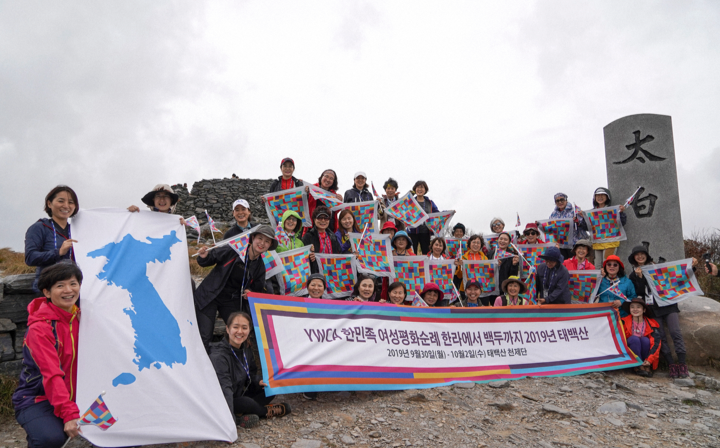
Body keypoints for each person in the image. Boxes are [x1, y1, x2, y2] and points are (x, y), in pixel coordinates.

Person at [13, 264, 83, 448]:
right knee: (50, 439)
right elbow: (51, 374)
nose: (68, 290)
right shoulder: (40, 328)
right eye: (60, 285)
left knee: (119, 427)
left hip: (80, 395)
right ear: (47, 292)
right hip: (38, 398)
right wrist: (69, 414)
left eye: (73, 283)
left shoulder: (83, 318)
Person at [194, 225, 277, 351]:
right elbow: (210, 258)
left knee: (239, 331)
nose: (262, 243)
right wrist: (204, 256)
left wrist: (250, 292)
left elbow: (257, 289)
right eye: (260, 238)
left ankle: (230, 359)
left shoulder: (260, 267)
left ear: (269, 246)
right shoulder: (234, 250)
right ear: (253, 238)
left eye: (267, 241)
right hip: (210, 295)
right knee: (205, 336)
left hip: (231, 300)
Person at [210, 311, 290, 428]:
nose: (240, 331)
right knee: (247, 402)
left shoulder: (245, 348)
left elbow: (250, 375)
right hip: (222, 401)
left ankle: (242, 414)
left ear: (249, 330)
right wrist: (228, 425)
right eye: (235, 327)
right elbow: (225, 390)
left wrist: (258, 381)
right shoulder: (219, 356)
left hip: (239, 394)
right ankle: (263, 412)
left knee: (272, 385)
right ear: (227, 329)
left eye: (244, 328)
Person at [628, 246, 690, 379]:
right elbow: (639, 293)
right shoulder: (633, 274)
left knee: (675, 332)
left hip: (669, 305)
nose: (640, 257)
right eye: (637, 255)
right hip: (653, 309)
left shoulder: (657, 268)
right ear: (633, 258)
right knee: (660, 336)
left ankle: (682, 364)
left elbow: (676, 279)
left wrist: (692, 267)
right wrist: (640, 277)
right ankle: (671, 364)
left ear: (647, 256)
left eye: (642, 254)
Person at [25, 186, 79, 294]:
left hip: (73, 291)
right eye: (61, 201)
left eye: (71, 202)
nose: (66, 206)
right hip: (48, 290)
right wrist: (58, 252)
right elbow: (30, 257)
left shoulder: (77, 231)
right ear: (49, 204)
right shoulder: (39, 228)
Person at [620, 298, 661, 377]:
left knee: (645, 340)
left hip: (645, 355)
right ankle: (637, 365)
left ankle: (645, 364)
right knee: (634, 339)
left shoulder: (651, 324)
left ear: (644, 310)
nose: (635, 309)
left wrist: (649, 360)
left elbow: (656, 343)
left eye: (638, 307)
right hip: (630, 352)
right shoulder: (623, 322)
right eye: (632, 307)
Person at [586, 187, 627, 265]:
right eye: (598, 195)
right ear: (594, 197)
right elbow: (587, 227)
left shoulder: (613, 210)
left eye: (602, 195)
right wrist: (581, 219)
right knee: (597, 266)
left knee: (607, 264)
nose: (600, 197)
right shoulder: (591, 212)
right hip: (597, 243)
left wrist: (621, 213)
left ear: (607, 197)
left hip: (610, 242)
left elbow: (622, 222)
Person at [549, 193, 589, 260]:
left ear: (566, 200)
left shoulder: (575, 211)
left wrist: (578, 222)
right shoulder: (553, 214)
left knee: (575, 263)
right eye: (557, 201)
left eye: (562, 200)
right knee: (563, 263)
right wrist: (540, 225)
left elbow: (586, 226)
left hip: (574, 243)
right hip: (561, 244)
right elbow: (549, 227)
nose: (560, 202)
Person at [302, 206, 341, 273]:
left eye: (326, 218)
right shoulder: (308, 236)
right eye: (319, 217)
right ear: (314, 219)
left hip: (331, 271)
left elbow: (339, 253)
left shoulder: (333, 236)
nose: (323, 220)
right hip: (316, 273)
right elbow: (302, 259)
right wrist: (309, 256)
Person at [453, 235, 488, 302]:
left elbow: (488, 275)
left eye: (478, 243)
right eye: (474, 242)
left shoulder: (485, 258)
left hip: (482, 289)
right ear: (469, 244)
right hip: (466, 289)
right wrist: (459, 266)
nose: (476, 244)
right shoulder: (463, 258)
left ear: (481, 245)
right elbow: (459, 276)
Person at [407, 181, 439, 255]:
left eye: (422, 187)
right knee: (412, 253)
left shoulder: (429, 202)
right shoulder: (410, 201)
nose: (419, 189)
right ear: (415, 189)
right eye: (418, 187)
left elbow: (437, 214)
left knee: (426, 253)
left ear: (425, 190)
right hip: (412, 231)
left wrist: (447, 212)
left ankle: (426, 263)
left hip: (426, 231)